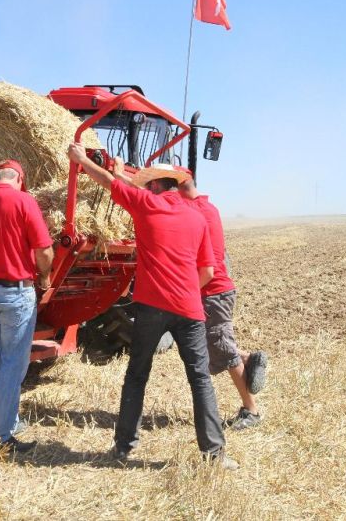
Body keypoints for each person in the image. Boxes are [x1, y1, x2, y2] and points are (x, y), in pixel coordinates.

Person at [67, 144, 237, 469]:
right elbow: (209, 271)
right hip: (189, 309)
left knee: (136, 376)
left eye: (148, 185)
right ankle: (215, 455)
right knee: (200, 379)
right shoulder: (197, 218)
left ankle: (122, 449)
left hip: (150, 306)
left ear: (156, 186)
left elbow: (108, 183)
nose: (146, 189)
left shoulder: (147, 205)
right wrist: (184, 291)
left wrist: (81, 160)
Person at [0, 159, 54, 453]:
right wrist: (44, 275)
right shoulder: (24, 201)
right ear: (18, 179)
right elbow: (44, 250)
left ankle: (9, 421)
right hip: (15, 293)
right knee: (14, 364)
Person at [173, 166, 268, 430]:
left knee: (221, 345)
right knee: (208, 342)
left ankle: (252, 411)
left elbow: (207, 267)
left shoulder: (191, 212)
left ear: (179, 188)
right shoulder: (207, 207)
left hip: (212, 291)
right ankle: (248, 358)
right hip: (216, 290)